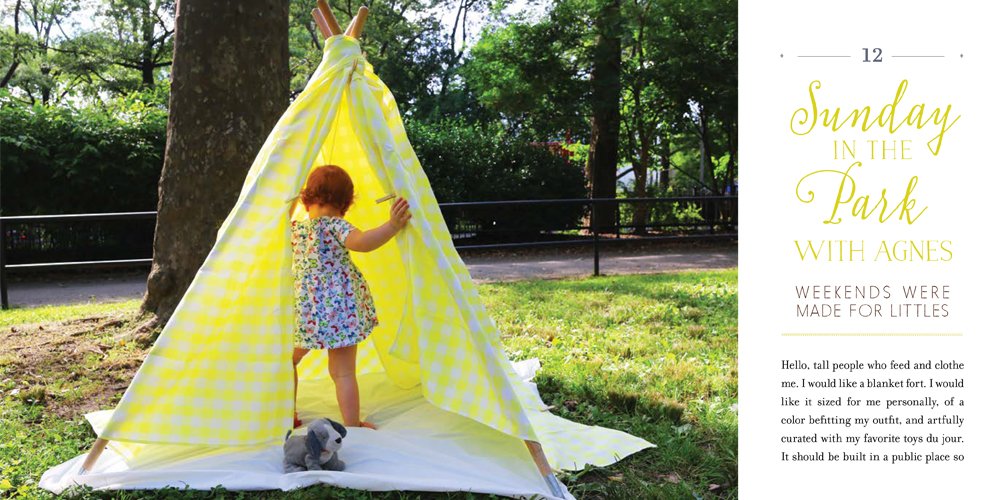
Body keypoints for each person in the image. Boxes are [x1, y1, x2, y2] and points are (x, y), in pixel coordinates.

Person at [289, 164, 411, 429]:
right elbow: (363, 242)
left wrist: (292, 194)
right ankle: (352, 423)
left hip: (308, 312)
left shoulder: (296, 229)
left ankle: (289, 415)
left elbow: (281, 216)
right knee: (343, 373)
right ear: (346, 202)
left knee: (289, 360)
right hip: (340, 311)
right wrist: (392, 225)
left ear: (306, 198)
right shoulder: (336, 225)